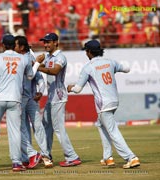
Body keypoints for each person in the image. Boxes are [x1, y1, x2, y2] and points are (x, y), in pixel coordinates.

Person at [67, 39, 140, 169]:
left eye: (86, 51)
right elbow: (127, 69)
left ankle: (131, 157)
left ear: (89, 52)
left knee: (112, 131)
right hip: (114, 100)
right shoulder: (110, 62)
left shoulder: (88, 67)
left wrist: (70, 88)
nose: (86, 54)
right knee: (101, 125)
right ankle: (107, 158)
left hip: (103, 104)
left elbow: (78, 89)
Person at [0, 34, 34, 171]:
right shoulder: (23, 58)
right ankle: (16, 162)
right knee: (15, 131)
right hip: (15, 98)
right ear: (14, 45)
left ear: (3, 45)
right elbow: (30, 76)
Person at [35, 32, 81, 167]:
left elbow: (55, 71)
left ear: (56, 42)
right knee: (46, 126)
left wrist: (37, 65)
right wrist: (36, 64)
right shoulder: (48, 57)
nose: (46, 44)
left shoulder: (60, 57)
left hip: (59, 97)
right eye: (45, 42)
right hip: (51, 97)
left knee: (58, 128)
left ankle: (72, 156)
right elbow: (41, 68)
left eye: (48, 42)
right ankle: (46, 154)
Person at [14, 35, 52, 169]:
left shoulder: (27, 59)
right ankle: (29, 157)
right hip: (21, 98)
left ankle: (44, 156)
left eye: (16, 45)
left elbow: (38, 78)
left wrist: (40, 91)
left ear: (22, 47)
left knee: (34, 127)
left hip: (28, 98)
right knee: (25, 127)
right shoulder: (22, 59)